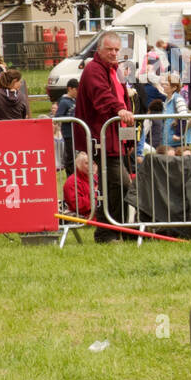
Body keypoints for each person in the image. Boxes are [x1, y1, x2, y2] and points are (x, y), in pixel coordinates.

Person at [73, 33, 135, 242]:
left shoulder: (115, 71)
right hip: (102, 138)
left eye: (117, 50)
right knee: (120, 184)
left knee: (116, 185)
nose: (114, 53)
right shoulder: (93, 69)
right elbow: (102, 95)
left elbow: (122, 98)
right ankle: (108, 231)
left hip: (116, 138)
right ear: (99, 49)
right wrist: (120, 109)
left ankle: (120, 231)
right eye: (110, 49)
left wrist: (129, 137)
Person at [159, 73, 190, 153]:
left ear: (174, 87)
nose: (164, 85)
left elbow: (184, 117)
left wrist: (179, 134)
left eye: (167, 84)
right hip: (168, 142)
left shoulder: (178, 99)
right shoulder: (166, 100)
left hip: (178, 143)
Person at [53, 82, 80, 173]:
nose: (78, 92)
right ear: (70, 89)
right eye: (76, 89)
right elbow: (58, 117)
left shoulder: (75, 100)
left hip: (76, 132)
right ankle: (71, 174)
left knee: (76, 155)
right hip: (68, 133)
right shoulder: (64, 102)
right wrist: (71, 119)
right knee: (70, 156)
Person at [62, 152, 94, 217]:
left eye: (93, 163)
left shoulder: (95, 177)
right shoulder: (71, 182)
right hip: (82, 215)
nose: (91, 166)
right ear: (79, 165)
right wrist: (95, 194)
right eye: (87, 163)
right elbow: (78, 206)